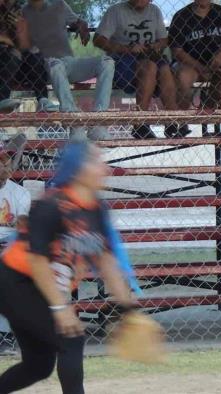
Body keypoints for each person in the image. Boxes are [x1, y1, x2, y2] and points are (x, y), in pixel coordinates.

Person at [0, 141, 136, 392]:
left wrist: (128, 310)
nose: (103, 167)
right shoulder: (52, 206)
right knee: (71, 337)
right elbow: (36, 260)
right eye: (96, 162)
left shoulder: (95, 210)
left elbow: (106, 261)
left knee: (38, 365)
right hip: (15, 282)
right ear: (78, 168)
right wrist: (60, 308)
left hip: (40, 286)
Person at [22, 0, 115, 140]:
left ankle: (98, 122)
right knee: (55, 64)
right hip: (44, 66)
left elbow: (77, 21)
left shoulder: (59, 5)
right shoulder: (23, 11)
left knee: (106, 62)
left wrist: (82, 25)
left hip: (68, 62)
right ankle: (74, 123)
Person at [94, 0, 182, 139]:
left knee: (165, 69)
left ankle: (171, 123)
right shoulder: (115, 11)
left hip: (150, 56)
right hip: (123, 59)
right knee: (150, 67)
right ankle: (140, 123)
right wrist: (127, 49)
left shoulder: (154, 10)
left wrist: (157, 45)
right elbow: (98, 39)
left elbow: (164, 39)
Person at [169, 0, 221, 111]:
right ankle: (181, 120)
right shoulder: (181, 16)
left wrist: (220, 55)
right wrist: (200, 67)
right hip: (190, 63)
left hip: (218, 60)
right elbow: (177, 50)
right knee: (184, 76)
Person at [0, 0, 58, 113]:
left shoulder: (18, 10)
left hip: (16, 65)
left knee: (35, 55)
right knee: (13, 54)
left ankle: (43, 100)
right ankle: (2, 100)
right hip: (5, 60)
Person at [0, 139, 30, 355]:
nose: (6, 168)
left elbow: (22, 226)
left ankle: (5, 337)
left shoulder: (20, 193)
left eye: (7, 163)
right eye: (2, 164)